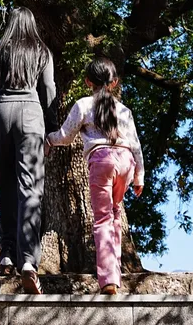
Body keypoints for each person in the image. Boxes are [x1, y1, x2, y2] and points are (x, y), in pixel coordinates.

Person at [45, 56, 144, 295]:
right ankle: (116, 273)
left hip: (102, 162)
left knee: (102, 219)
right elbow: (136, 144)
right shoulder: (124, 110)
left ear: (88, 81)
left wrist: (50, 138)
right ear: (114, 82)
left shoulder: (83, 105)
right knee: (115, 214)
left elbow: (66, 136)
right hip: (126, 163)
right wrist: (139, 174)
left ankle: (109, 279)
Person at [0, 6, 56, 294]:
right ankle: (28, 260)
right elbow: (48, 90)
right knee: (31, 189)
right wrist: (51, 129)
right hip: (31, 115)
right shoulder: (41, 51)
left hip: (1, 114)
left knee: (6, 187)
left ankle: (7, 254)